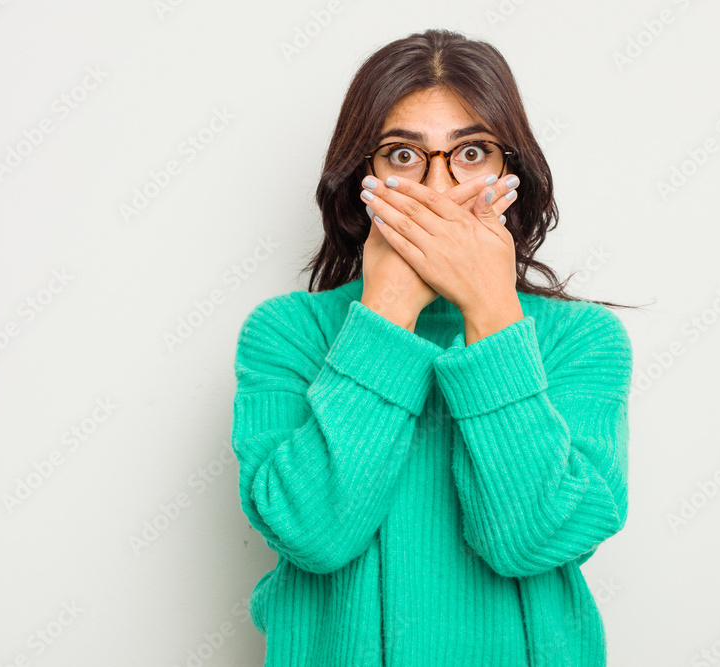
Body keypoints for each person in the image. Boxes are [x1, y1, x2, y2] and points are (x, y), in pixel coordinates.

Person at [231, 28, 636, 667]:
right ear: (361, 179)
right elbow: (313, 533)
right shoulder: (287, 332)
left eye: (471, 153)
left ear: (512, 174)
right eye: (402, 155)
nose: (439, 188)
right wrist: (387, 312)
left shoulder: (580, 340)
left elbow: (533, 540)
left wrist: (492, 312)